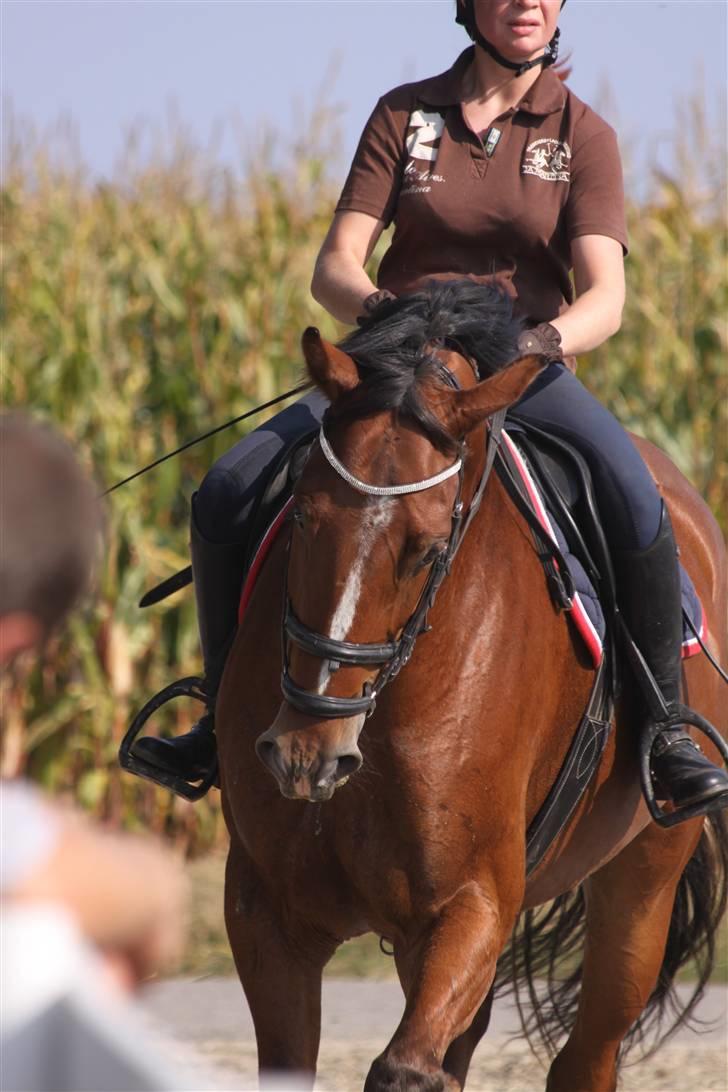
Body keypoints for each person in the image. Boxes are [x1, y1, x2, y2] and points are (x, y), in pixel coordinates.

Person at [133, 0, 728, 820]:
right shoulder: (404, 115)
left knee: (634, 498)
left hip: (517, 367)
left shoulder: (580, 134)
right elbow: (335, 264)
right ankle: (214, 719)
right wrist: (385, 312)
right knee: (229, 490)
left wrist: (541, 343)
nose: (528, 1)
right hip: (397, 362)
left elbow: (608, 296)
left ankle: (665, 732)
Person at [0, 413, 187, 992]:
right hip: (371, 382)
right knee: (234, 486)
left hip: (463, 398)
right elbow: (153, 896)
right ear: (20, 638)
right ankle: (221, 708)